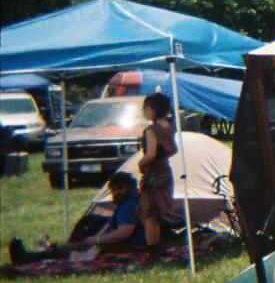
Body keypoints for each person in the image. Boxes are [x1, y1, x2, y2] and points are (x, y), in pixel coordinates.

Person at [8, 172, 148, 264]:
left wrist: (97, 240)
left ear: (129, 188)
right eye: (114, 190)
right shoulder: (130, 201)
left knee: (81, 243)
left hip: (131, 243)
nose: (116, 193)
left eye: (120, 189)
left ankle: (36, 256)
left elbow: (125, 231)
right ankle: (50, 251)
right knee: (86, 231)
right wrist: (95, 238)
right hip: (129, 240)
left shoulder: (129, 205)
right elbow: (110, 225)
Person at [139, 92, 177, 259]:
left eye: (145, 107)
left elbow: (151, 153)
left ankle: (152, 249)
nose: (143, 110)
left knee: (148, 213)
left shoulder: (151, 130)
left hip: (152, 173)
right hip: (165, 171)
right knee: (160, 210)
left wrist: (140, 163)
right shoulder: (169, 126)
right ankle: (160, 245)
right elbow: (173, 149)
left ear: (153, 109)